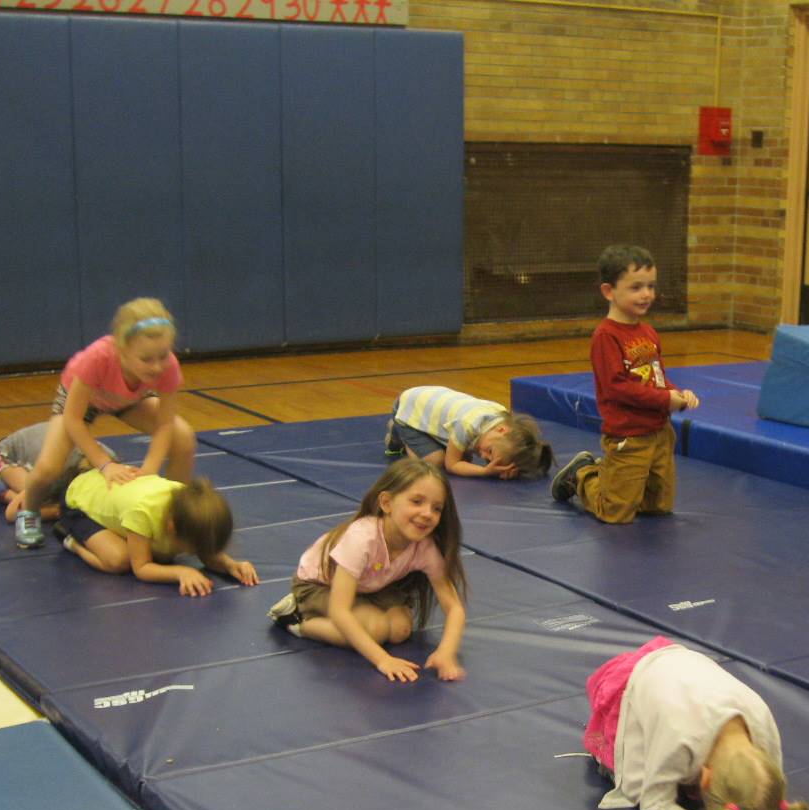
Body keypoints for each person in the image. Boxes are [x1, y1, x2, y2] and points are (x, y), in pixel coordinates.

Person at [583, 636, 809, 810]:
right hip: (643, 677)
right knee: (631, 782)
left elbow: (766, 787)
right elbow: (653, 805)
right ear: (702, 779)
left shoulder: (763, 723)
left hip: (686, 670)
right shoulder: (680, 740)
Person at [10, 298, 196, 550]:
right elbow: (73, 420)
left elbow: (165, 425)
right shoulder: (97, 357)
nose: (156, 366)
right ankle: (29, 512)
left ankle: (174, 511)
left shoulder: (167, 365)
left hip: (129, 398)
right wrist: (105, 465)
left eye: (162, 356)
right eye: (146, 359)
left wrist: (149, 470)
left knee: (183, 436)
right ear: (122, 349)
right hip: (82, 402)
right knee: (48, 468)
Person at [265, 459, 468, 683]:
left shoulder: (425, 546)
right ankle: (297, 621)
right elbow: (339, 610)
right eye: (417, 501)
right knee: (375, 630)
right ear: (386, 503)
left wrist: (446, 652)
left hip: (370, 584)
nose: (427, 513)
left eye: (436, 508)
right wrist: (383, 659)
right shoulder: (363, 538)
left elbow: (454, 607)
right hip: (320, 585)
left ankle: (357, 616)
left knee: (400, 630)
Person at [550, 244, 700, 522]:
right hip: (628, 436)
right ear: (609, 291)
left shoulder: (648, 332)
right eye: (636, 287)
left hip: (660, 432)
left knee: (658, 506)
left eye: (651, 286)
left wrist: (674, 392)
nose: (646, 294)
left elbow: (656, 374)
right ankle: (583, 475)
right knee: (615, 513)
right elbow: (617, 388)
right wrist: (666, 400)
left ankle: (617, 482)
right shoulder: (606, 336)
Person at [57, 471, 258, 597]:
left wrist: (231, 564)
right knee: (120, 560)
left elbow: (206, 551)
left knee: (161, 552)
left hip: (104, 488)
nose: (197, 553)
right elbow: (141, 568)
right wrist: (181, 572)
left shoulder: (189, 504)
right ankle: (71, 541)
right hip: (78, 502)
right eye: (194, 548)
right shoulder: (142, 512)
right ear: (172, 527)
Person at [385, 385, 554, 479]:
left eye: (488, 459)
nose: (485, 458)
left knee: (464, 458)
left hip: (428, 399)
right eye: (490, 452)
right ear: (502, 430)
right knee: (434, 462)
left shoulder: (501, 418)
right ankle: (400, 431)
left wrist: (509, 466)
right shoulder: (468, 425)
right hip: (408, 407)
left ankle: (406, 430)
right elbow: (452, 466)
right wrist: (484, 471)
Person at [0, 421, 112, 520]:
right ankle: (4, 490)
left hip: (45, 443)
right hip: (9, 454)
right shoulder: (53, 471)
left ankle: (2, 487)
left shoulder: (109, 460)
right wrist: (58, 511)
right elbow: (12, 513)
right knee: (38, 497)